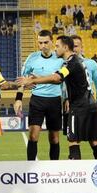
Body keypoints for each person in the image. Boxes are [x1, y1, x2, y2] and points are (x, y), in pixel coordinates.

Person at [17, 35, 97, 160]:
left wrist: (35, 80)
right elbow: (57, 80)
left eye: (57, 46)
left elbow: (57, 78)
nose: (55, 49)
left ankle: (75, 174)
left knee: (73, 141)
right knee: (95, 141)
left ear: (65, 47)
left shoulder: (71, 63)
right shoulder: (77, 61)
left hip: (79, 107)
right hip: (90, 104)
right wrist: (37, 79)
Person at [13, 30, 64, 161]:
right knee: (33, 135)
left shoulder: (60, 58)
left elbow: (61, 79)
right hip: (37, 100)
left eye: (46, 42)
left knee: (54, 137)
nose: (43, 46)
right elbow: (22, 80)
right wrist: (18, 99)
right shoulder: (32, 58)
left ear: (52, 42)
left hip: (55, 100)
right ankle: (30, 167)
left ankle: (54, 167)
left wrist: (67, 98)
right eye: (40, 43)